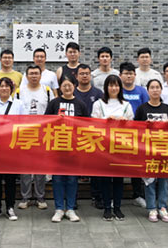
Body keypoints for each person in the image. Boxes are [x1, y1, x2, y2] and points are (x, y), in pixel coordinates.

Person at [45, 76, 88, 222]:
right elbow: (45, 122)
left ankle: (70, 208)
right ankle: (58, 209)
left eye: (69, 85)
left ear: (74, 86)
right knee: (57, 179)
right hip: (57, 147)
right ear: (60, 88)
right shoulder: (54, 103)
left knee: (71, 179)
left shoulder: (80, 104)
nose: (67, 88)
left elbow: (87, 125)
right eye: (64, 85)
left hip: (74, 148)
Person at [0, 77, 27, 221]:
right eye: (1, 86)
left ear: (11, 89)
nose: (4, 89)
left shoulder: (19, 104)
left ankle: (10, 206)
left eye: (7, 86)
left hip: (11, 148)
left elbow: (25, 124)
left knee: (10, 179)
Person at [91, 75, 134, 221]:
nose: (114, 88)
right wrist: (106, 121)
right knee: (105, 179)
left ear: (120, 88)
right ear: (106, 87)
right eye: (111, 85)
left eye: (116, 85)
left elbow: (133, 125)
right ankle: (107, 208)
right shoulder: (98, 104)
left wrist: (124, 122)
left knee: (118, 179)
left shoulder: (126, 105)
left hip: (120, 147)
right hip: (103, 147)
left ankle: (117, 207)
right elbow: (93, 123)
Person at [135, 79, 168, 223]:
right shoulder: (142, 108)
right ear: (148, 91)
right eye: (152, 87)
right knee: (149, 181)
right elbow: (135, 128)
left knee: (164, 179)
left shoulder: (167, 108)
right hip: (148, 150)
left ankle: (163, 207)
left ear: (161, 90)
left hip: (164, 149)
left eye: (157, 87)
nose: (155, 90)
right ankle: (151, 207)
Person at [17, 65, 52, 210]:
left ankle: (40, 197)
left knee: (40, 167)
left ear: (40, 75)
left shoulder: (47, 90)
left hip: (43, 133)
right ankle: (25, 197)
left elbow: (52, 110)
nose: (34, 76)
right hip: (25, 133)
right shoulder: (19, 91)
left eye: (36, 73)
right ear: (26, 76)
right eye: (31, 73)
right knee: (25, 167)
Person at [72, 63, 104, 209]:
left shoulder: (98, 93)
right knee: (74, 168)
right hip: (75, 136)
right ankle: (73, 198)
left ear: (91, 76)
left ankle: (97, 197)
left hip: (94, 136)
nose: (84, 76)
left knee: (95, 168)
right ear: (76, 76)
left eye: (87, 74)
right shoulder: (72, 92)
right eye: (82, 73)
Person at [119, 62, 148, 207]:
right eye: (126, 73)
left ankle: (138, 194)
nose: (129, 76)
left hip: (138, 134)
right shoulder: (117, 91)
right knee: (117, 163)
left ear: (135, 75)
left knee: (137, 165)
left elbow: (147, 109)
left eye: (131, 73)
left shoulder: (142, 91)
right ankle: (115, 196)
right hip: (120, 134)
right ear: (120, 76)